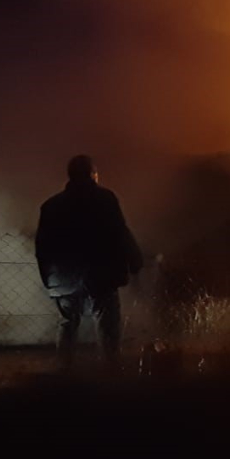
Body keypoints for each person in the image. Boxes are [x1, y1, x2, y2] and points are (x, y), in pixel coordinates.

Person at [35, 155, 143, 371]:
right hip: (100, 273)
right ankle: (110, 369)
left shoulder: (51, 206)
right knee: (106, 322)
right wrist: (134, 260)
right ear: (93, 175)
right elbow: (119, 232)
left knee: (67, 323)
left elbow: (42, 247)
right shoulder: (105, 199)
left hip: (63, 276)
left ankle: (64, 370)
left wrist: (48, 278)